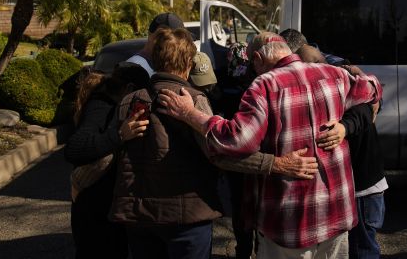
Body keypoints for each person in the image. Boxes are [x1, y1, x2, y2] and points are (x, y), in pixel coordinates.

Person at [158, 31, 382, 259]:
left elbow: (236, 140)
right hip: (336, 217)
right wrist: (345, 124)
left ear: (257, 58)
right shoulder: (334, 75)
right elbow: (373, 87)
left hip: (289, 224)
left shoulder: (264, 86)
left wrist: (189, 113)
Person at [109, 28, 320, 259]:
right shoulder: (193, 99)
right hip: (186, 218)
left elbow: (116, 153)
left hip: (137, 217)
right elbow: (221, 152)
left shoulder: (130, 99)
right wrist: (276, 164)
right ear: (189, 63)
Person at [297, 43, 387, 259]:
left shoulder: (344, 82)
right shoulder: (342, 78)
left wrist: (344, 127)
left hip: (362, 188)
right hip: (354, 188)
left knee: (362, 249)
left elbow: (365, 110)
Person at [64, 62, 151, 259]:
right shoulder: (101, 107)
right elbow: (74, 149)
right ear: (128, 89)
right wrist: (120, 135)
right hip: (94, 210)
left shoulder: (113, 105)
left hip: (105, 210)